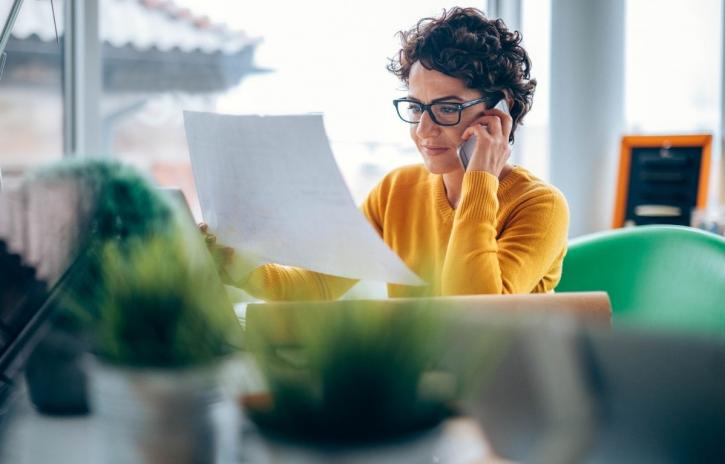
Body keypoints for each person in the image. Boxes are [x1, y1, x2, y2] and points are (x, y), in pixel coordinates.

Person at [203, 7, 569, 300]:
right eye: (415, 107)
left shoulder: (540, 206)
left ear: (500, 113)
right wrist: (238, 267)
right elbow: (317, 286)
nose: (424, 130)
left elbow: (473, 312)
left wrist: (480, 180)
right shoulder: (397, 190)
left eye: (447, 108)